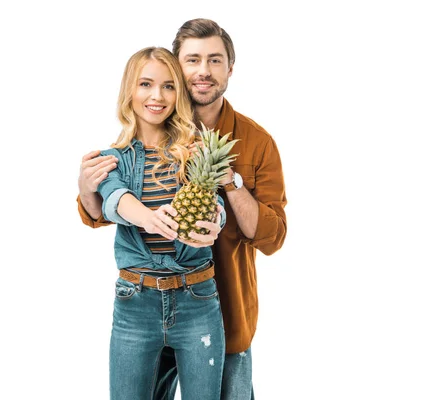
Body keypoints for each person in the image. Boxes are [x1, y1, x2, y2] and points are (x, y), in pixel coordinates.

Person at [77, 19, 287, 399]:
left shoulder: (257, 142)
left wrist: (229, 187)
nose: (203, 71)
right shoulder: (152, 141)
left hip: (218, 306)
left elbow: (272, 237)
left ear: (230, 69)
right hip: (141, 300)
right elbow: (106, 208)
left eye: (215, 60)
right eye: (192, 60)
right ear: (177, 66)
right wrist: (89, 189)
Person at [94, 45, 228, 400]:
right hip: (135, 302)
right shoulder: (113, 159)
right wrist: (149, 218)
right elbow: (113, 200)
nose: (157, 95)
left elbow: (213, 200)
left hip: (197, 299)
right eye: (146, 84)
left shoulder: (194, 151)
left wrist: (216, 220)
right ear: (130, 92)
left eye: (169, 86)